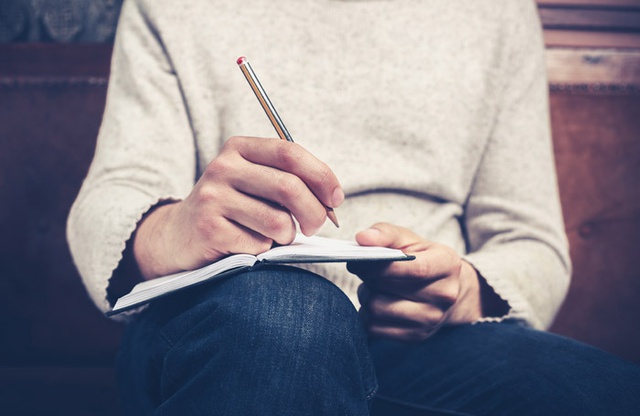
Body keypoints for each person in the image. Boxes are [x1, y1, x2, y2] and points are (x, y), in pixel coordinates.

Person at [67, 0, 640, 414]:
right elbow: (111, 197)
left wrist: (462, 290)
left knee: (608, 392)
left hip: (424, 343)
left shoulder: (498, 13)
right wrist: (176, 229)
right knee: (290, 319)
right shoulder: (170, 8)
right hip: (224, 329)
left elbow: (531, 241)